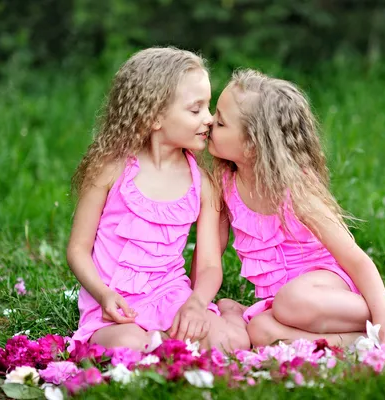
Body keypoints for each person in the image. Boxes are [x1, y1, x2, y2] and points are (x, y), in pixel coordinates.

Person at [206, 69, 385, 352]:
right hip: (281, 304)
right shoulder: (225, 184)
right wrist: (194, 302)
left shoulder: (295, 190)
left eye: (220, 122)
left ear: (252, 144)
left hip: (323, 287)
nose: (208, 123)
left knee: (292, 300)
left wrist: (384, 317)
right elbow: (210, 255)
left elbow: (357, 261)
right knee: (260, 330)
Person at [66, 47, 249, 352]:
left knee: (231, 342)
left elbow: (207, 266)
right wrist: (102, 295)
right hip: (114, 304)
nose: (208, 120)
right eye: (196, 109)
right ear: (153, 117)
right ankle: (158, 343)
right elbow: (78, 249)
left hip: (171, 296)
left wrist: (195, 304)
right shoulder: (110, 169)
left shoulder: (202, 184)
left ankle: (218, 319)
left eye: (209, 107)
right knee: (130, 346)